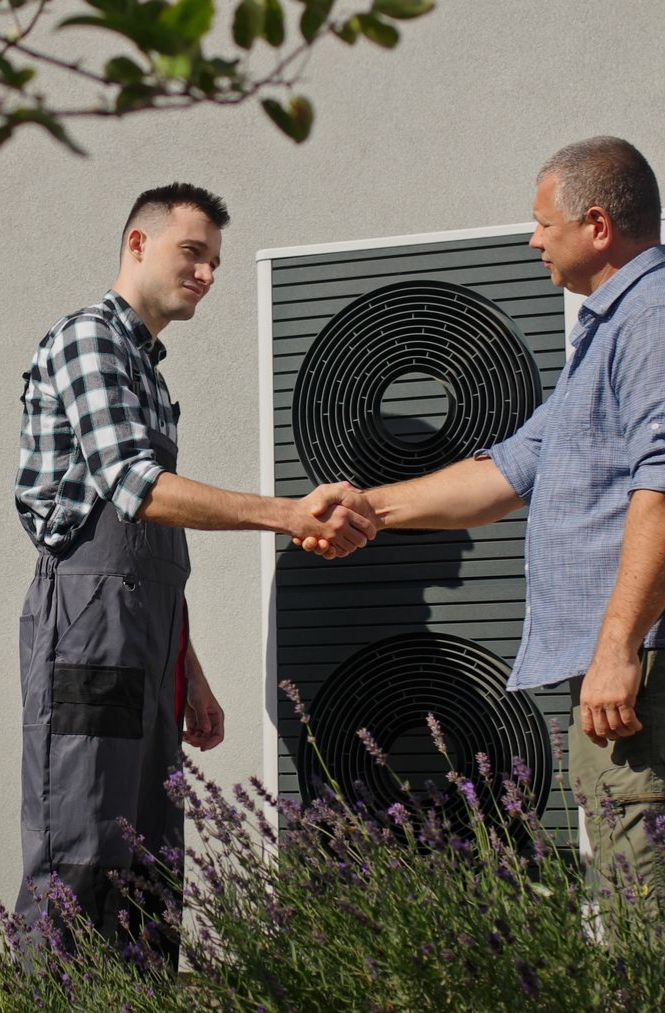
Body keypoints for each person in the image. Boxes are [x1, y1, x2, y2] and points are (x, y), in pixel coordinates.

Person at [299, 137, 665, 1004]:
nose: (531, 242)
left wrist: (618, 643)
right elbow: (506, 471)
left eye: (542, 223)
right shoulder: (614, 333)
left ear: (597, 223)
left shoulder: (659, 322)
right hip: (658, 666)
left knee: (653, 939)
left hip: (659, 666)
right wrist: (367, 508)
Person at [15, 182, 375, 950]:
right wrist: (284, 512)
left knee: (150, 861)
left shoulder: (147, 367)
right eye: (193, 253)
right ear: (137, 244)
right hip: (87, 633)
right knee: (82, 853)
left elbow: (154, 553)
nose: (208, 273)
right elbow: (137, 489)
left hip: (145, 639)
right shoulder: (91, 341)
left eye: (214, 260)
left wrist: (191, 670)